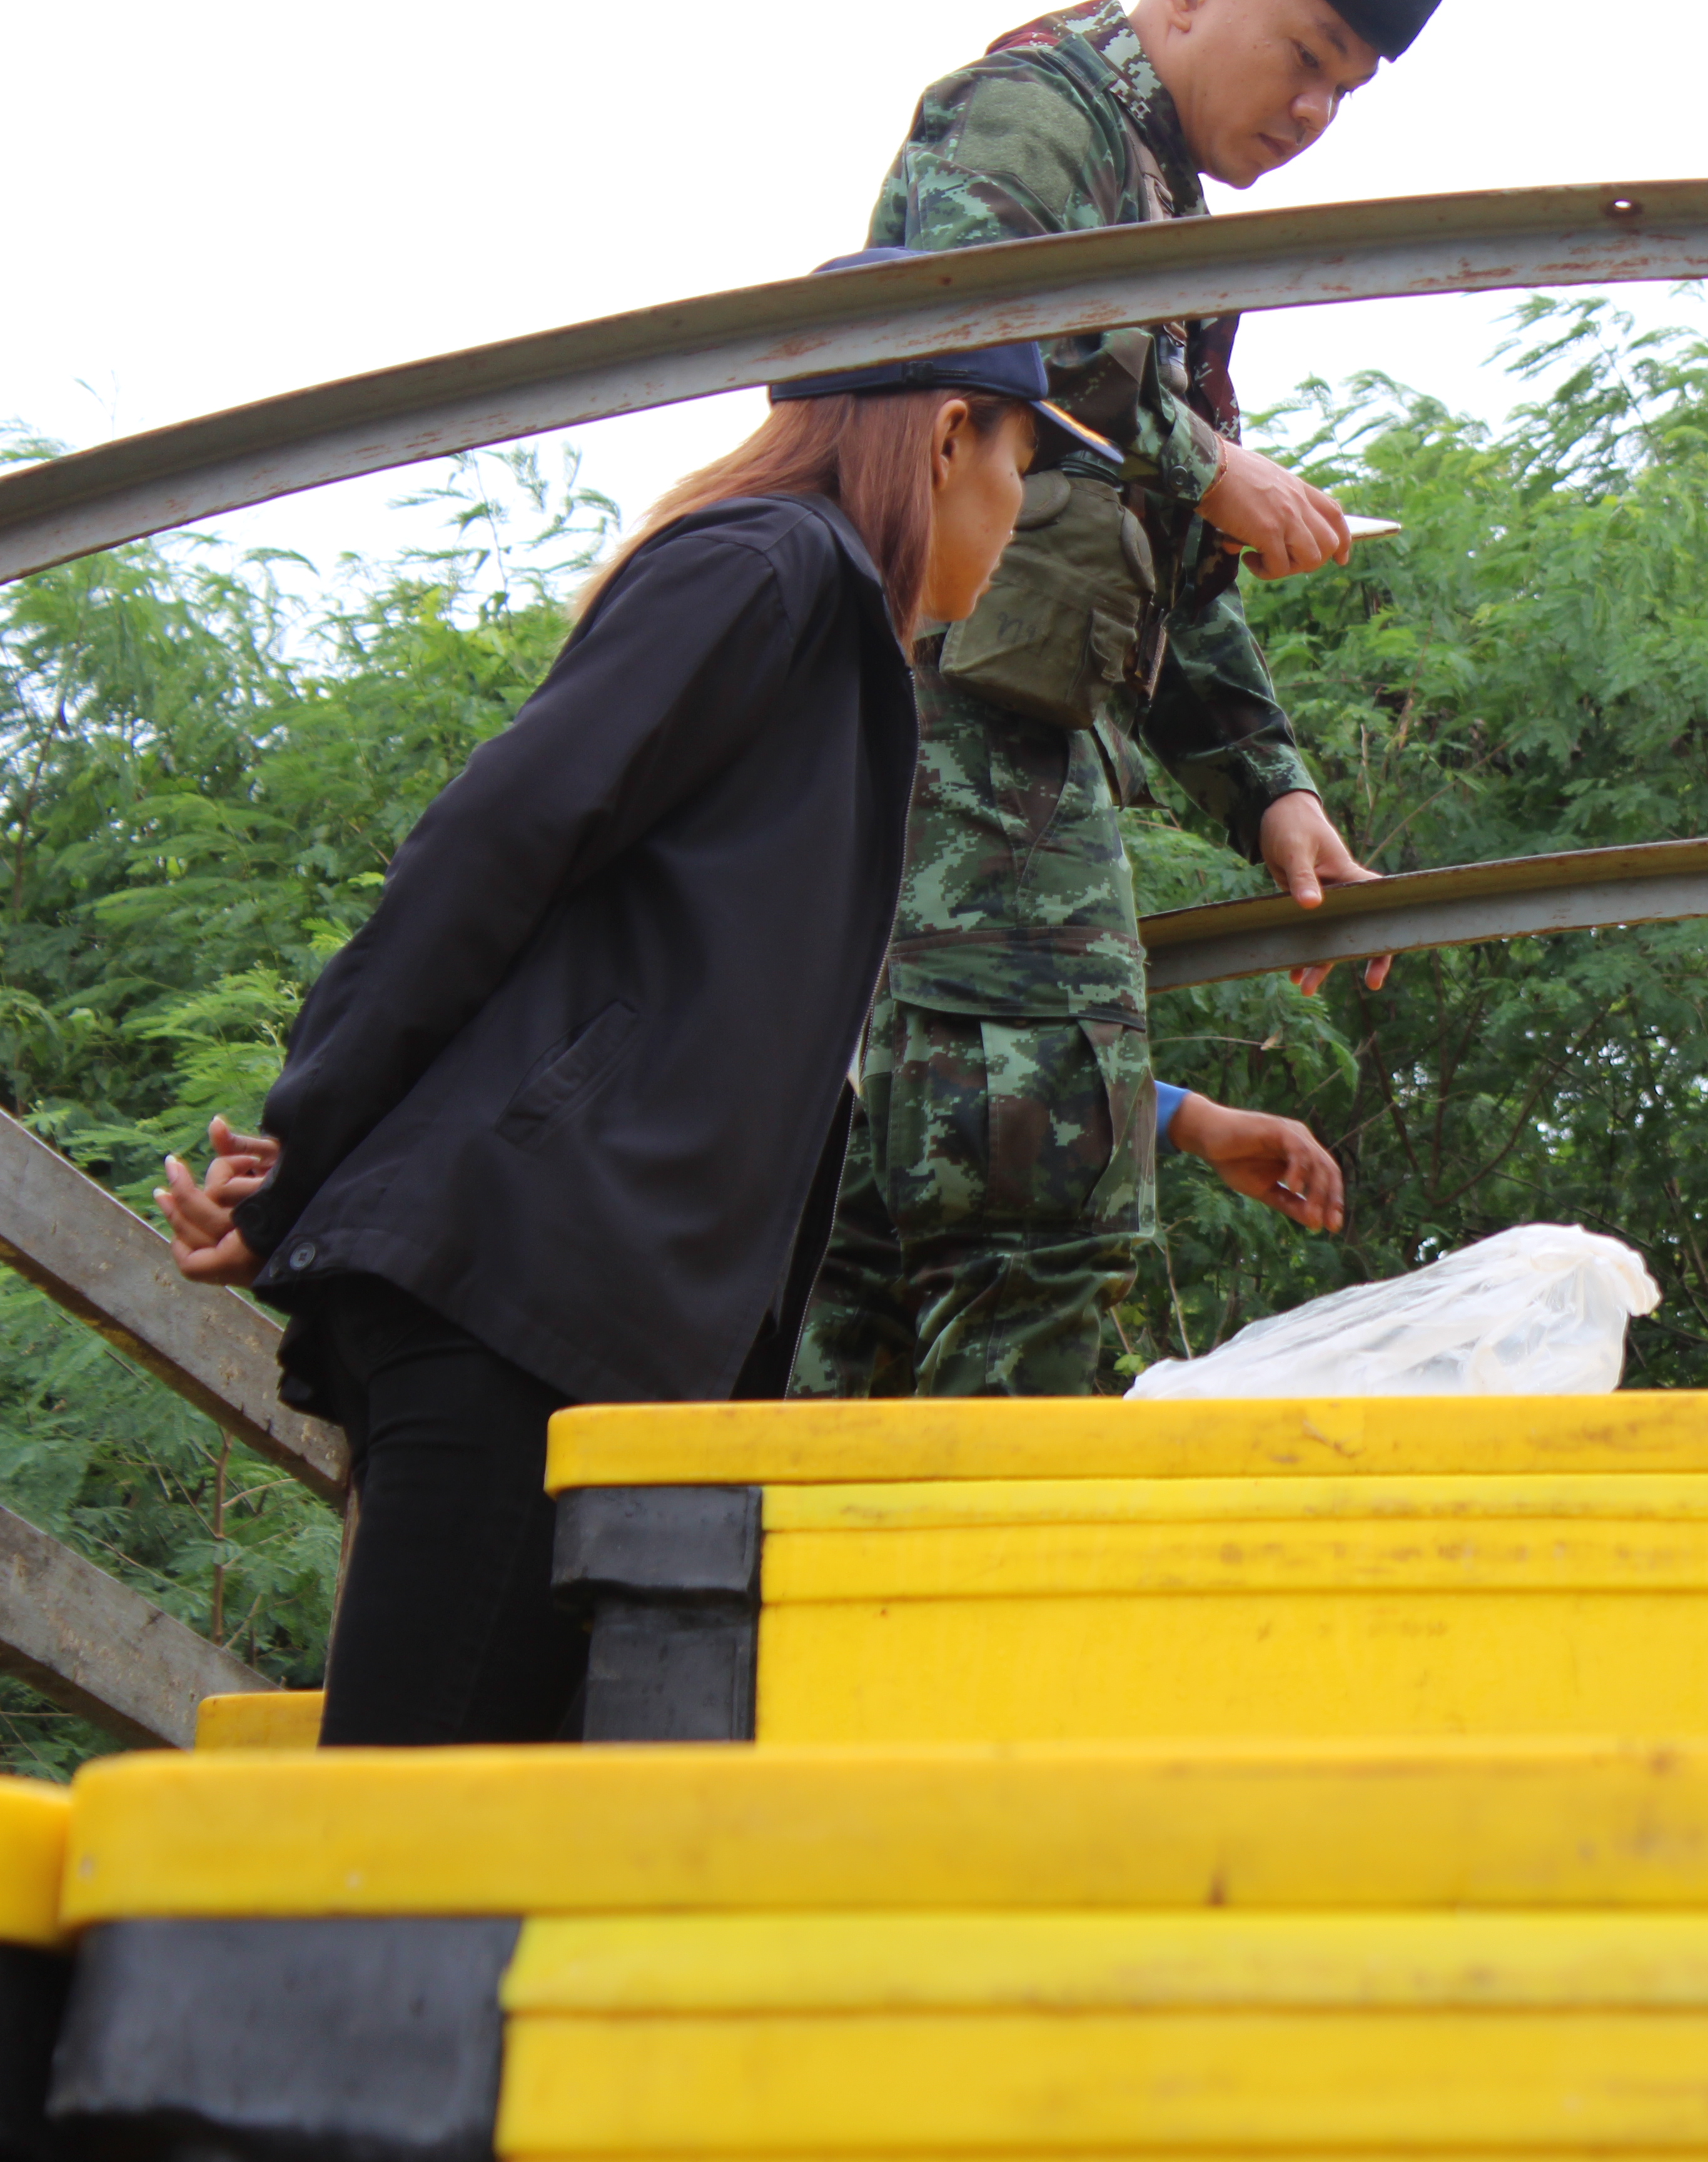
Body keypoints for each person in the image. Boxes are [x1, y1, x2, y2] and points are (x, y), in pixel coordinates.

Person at [148, 302, 1094, 1745]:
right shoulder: (770, 564)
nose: (1020, 511)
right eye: (1024, 462)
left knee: (504, 1838)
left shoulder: (841, 653)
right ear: (950, 433)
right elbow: (493, 840)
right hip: (524, 1298)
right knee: (399, 1837)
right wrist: (304, 1147)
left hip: (601, 1335)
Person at [794, 0, 1440, 1400]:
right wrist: (1207, 462)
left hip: (1005, 757)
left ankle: (832, 1532)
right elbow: (980, 315)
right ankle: (983, 1539)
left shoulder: (1162, 206)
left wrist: (1274, 791)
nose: (1313, 112)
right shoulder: (1035, 111)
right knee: (1031, 1214)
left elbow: (1157, 557)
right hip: (949, 750)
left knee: (883, 1250)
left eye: (1346, 91)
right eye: (1306, 58)